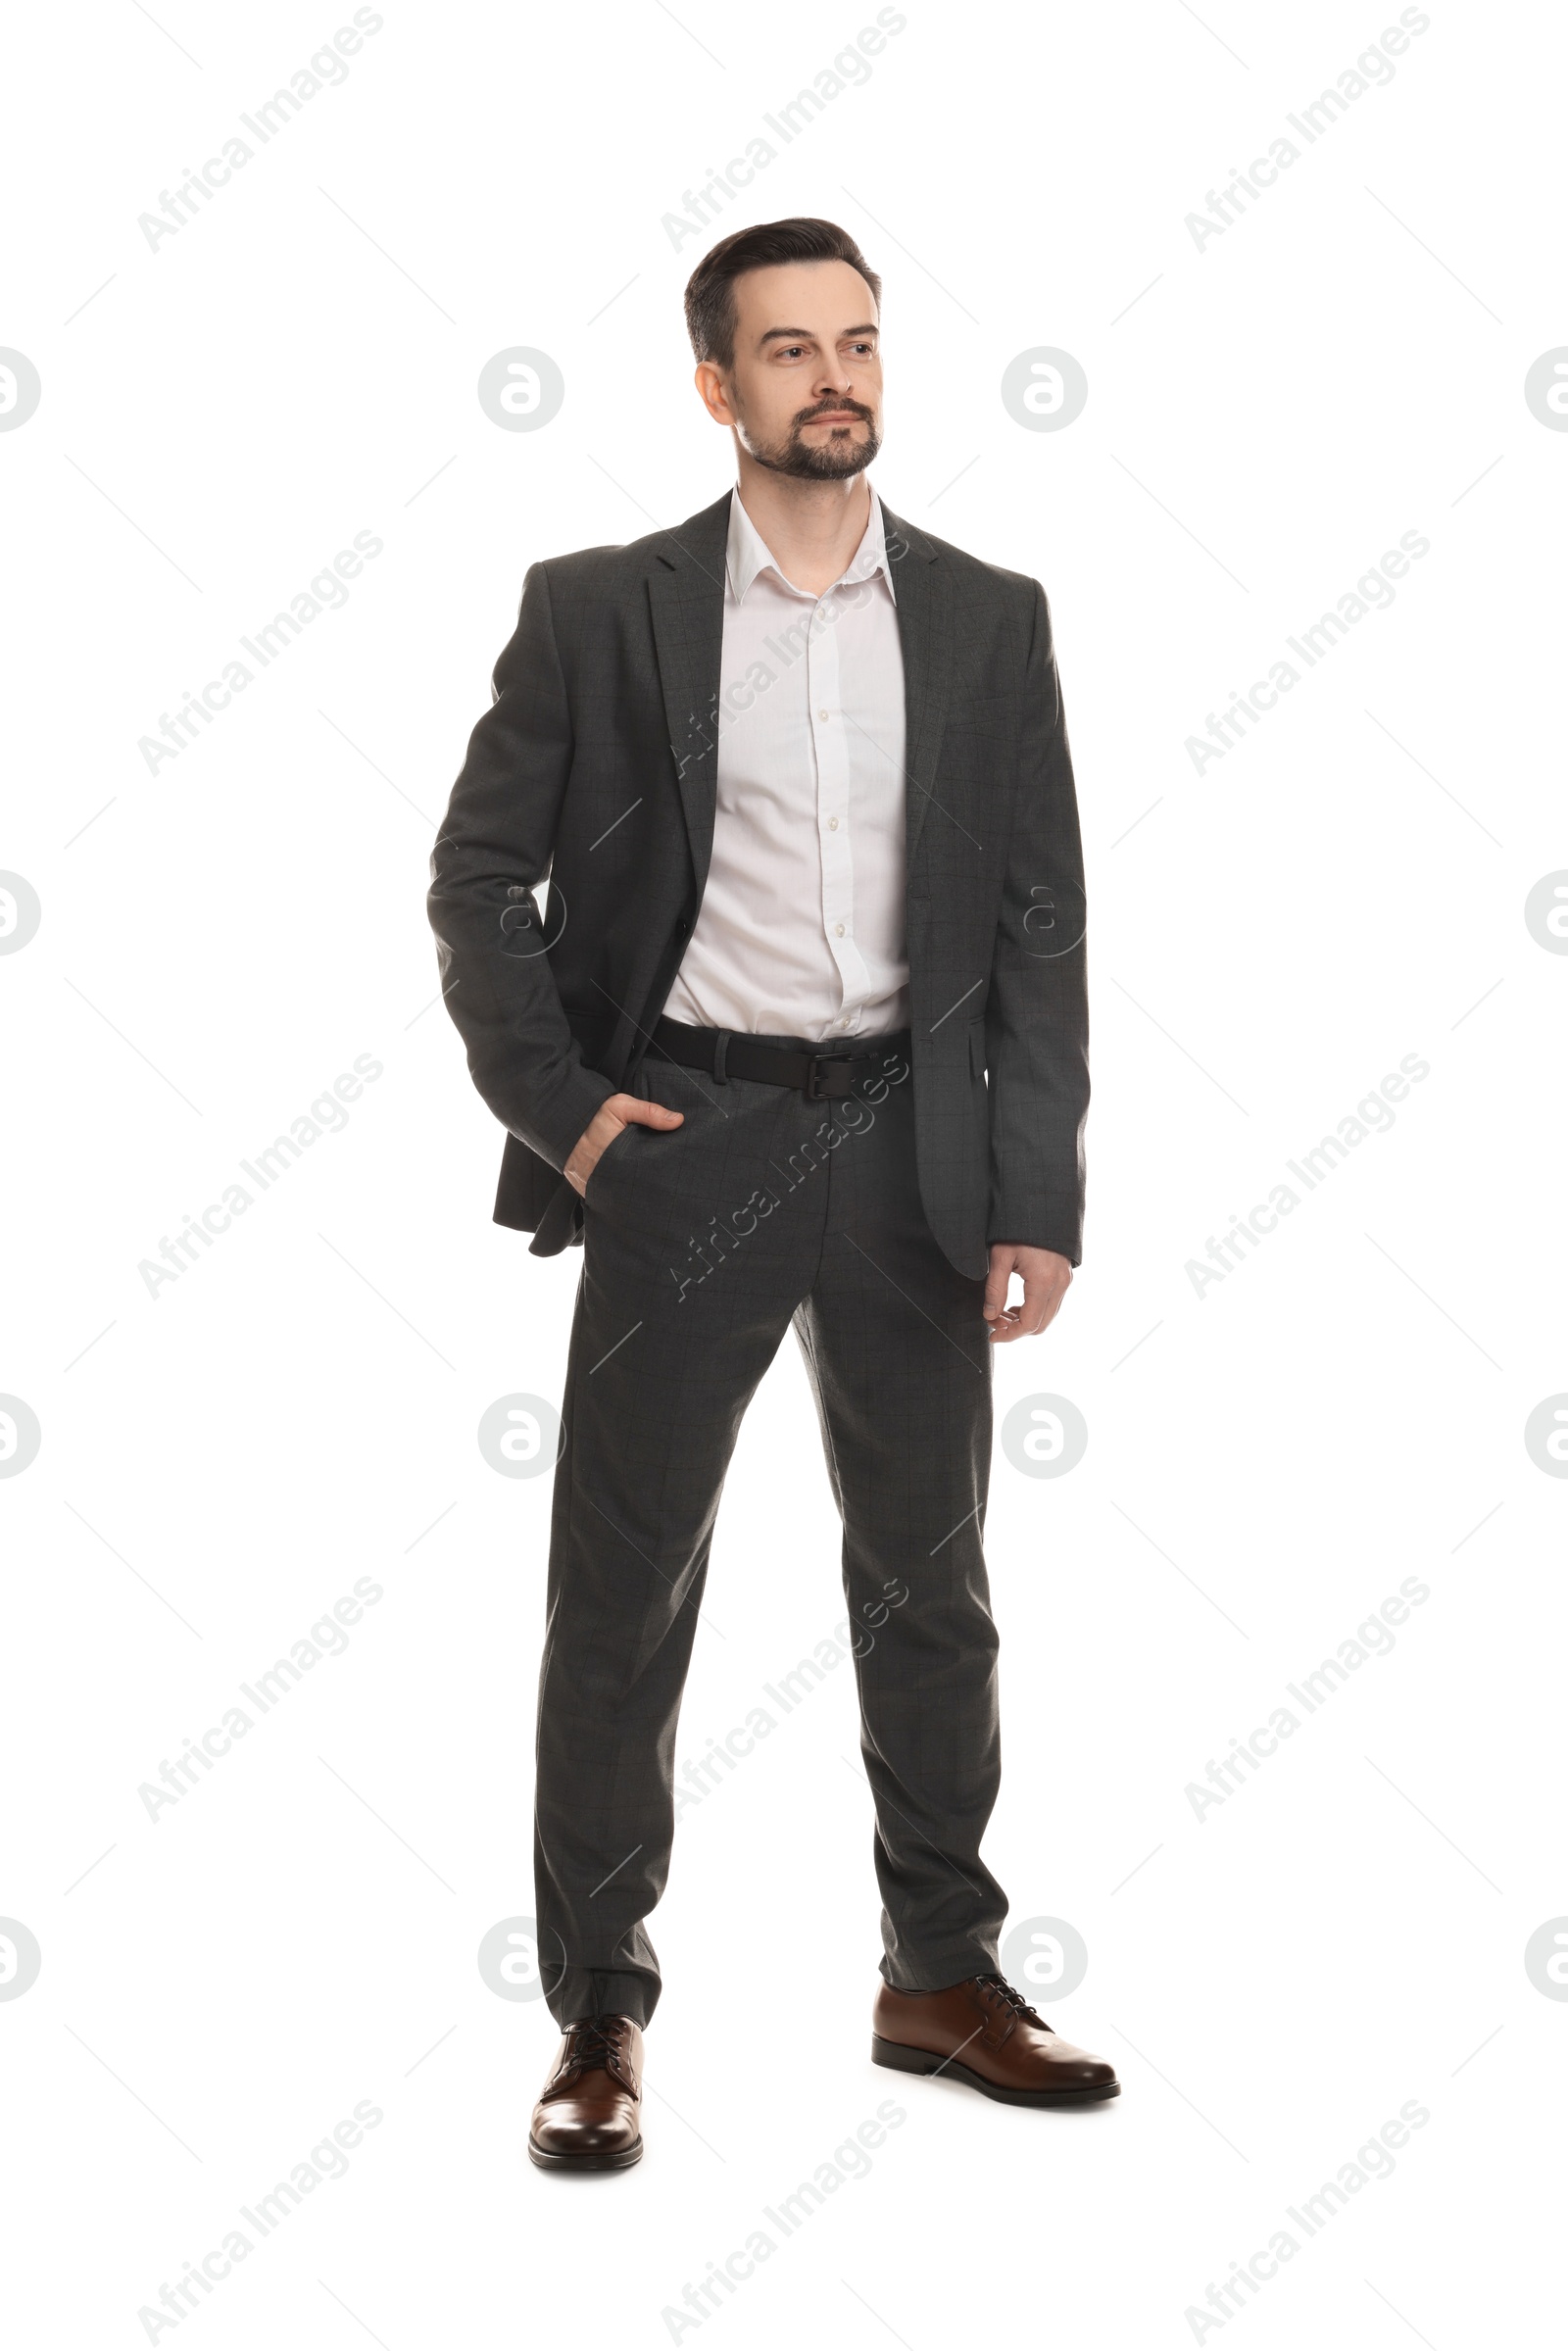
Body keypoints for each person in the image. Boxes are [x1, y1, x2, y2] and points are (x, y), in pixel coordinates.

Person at [428, 216, 1119, 2172]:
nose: (838, 376)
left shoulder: (990, 616)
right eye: (791, 349)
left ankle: (939, 1969)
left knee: (929, 1580)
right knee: (623, 1594)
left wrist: (1033, 1187)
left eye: (863, 343)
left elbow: (1039, 918)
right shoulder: (600, 609)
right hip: (687, 1145)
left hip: (914, 1149)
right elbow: (475, 884)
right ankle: (595, 2012)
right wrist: (565, 1115)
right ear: (716, 386)